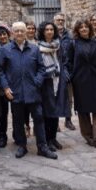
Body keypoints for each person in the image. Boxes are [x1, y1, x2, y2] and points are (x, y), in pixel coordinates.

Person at [0, 22, 57, 160]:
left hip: (33, 91)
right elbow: (0, 70)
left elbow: (41, 68)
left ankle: (42, 147)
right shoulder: (5, 50)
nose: (19, 33)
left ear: (26, 32)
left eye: (22, 31)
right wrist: (5, 87)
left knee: (39, 118)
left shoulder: (34, 49)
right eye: (17, 31)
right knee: (18, 120)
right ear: (12, 33)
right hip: (15, 91)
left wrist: (37, 82)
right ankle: (22, 145)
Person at [67, 20, 96, 150]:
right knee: (83, 109)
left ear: (90, 29)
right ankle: (89, 136)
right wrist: (72, 76)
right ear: (77, 30)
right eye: (81, 27)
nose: (84, 29)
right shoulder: (73, 44)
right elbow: (69, 62)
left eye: (86, 27)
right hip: (81, 80)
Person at [37, 21, 68, 152]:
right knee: (47, 112)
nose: (49, 32)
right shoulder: (38, 47)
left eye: (51, 29)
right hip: (46, 81)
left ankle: (53, 138)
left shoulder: (58, 46)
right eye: (47, 30)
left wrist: (65, 74)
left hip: (58, 80)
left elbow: (64, 60)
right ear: (43, 32)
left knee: (55, 111)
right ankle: (47, 139)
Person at [54, 12, 76, 131]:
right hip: (56, 70)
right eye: (58, 20)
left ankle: (68, 120)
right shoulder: (51, 34)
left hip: (68, 69)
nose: (60, 22)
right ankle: (56, 122)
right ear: (54, 21)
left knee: (69, 97)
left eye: (62, 20)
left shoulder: (70, 35)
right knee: (55, 96)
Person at [0, 23, 12, 148]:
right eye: (0, 35)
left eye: (4, 34)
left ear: (8, 34)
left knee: (17, 112)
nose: (2, 36)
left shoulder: (14, 46)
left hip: (14, 83)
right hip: (0, 86)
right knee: (3, 112)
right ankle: (2, 136)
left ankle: (18, 134)